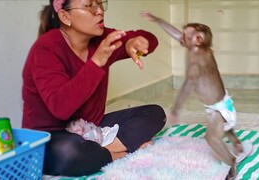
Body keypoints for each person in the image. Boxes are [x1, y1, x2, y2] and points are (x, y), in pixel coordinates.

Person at [21, 0, 166, 176]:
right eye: (89, 5)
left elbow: (148, 38)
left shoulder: (101, 40)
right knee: (69, 153)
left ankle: (100, 153)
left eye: (100, 3)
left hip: (92, 129)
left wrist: (132, 43)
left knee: (154, 114)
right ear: (65, 16)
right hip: (53, 136)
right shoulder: (46, 49)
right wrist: (96, 63)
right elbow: (60, 108)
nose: (99, 12)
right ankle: (118, 154)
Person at [141, 12, 252, 179]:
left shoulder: (200, 59)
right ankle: (236, 142)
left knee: (211, 137)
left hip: (218, 108)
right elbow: (176, 33)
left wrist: (176, 109)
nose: (181, 37)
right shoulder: (194, 46)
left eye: (186, 35)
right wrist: (158, 20)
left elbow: (188, 85)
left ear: (198, 39)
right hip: (217, 103)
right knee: (224, 125)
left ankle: (232, 163)